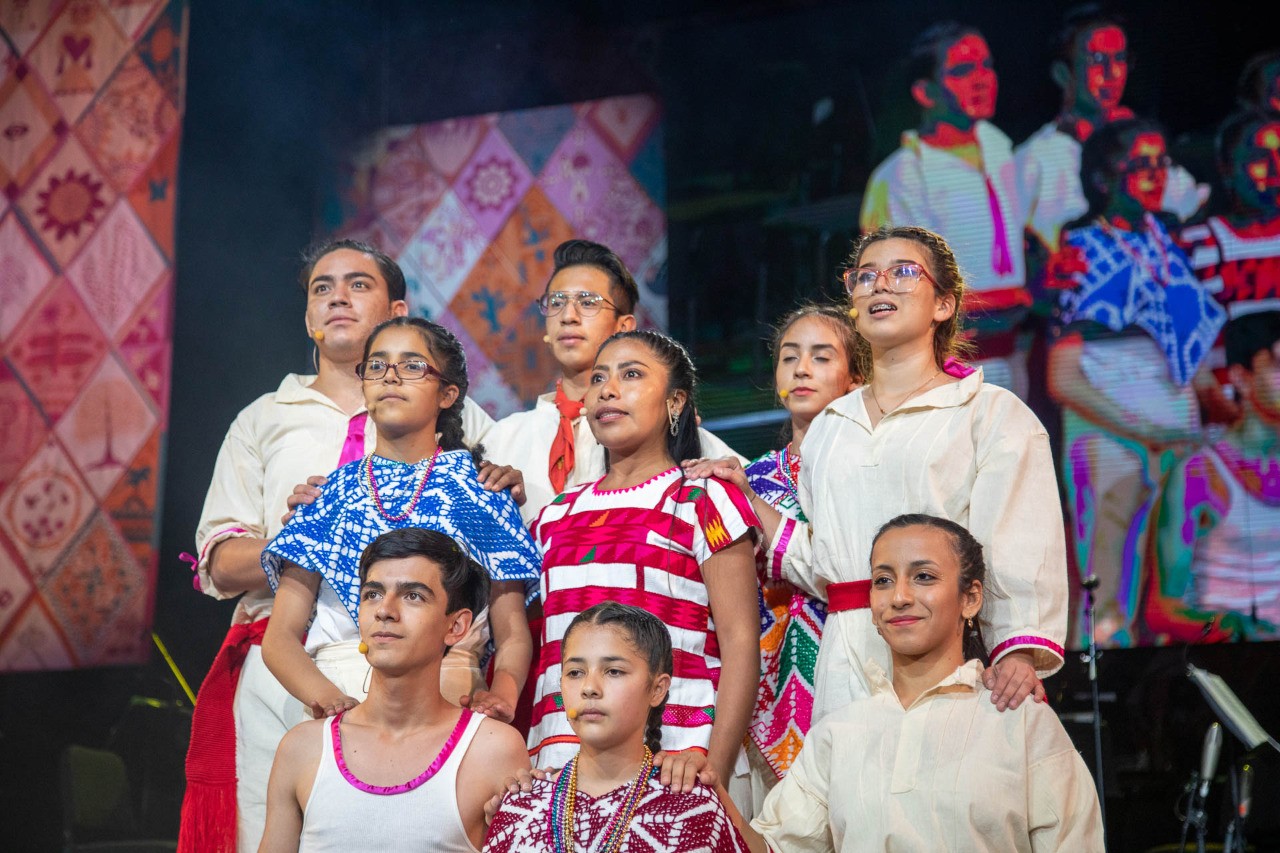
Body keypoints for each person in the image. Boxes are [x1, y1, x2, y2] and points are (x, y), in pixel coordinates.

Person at [182, 240, 493, 852]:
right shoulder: (264, 417)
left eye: (358, 284)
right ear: (307, 318)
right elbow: (218, 562)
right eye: (321, 288)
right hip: (284, 655)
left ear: (398, 309)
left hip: (428, 659)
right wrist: (308, 535)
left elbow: (491, 538)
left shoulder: (460, 416)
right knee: (275, 830)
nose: (337, 298)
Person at [687, 225, 1067, 725]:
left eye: (903, 272)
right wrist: (748, 497)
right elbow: (822, 559)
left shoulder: (989, 413)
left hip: (943, 651)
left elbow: (1018, 544)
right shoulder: (831, 426)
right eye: (865, 276)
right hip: (842, 660)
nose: (880, 284)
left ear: (944, 304)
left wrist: (1015, 650)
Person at [720, 515, 1103, 852]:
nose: (899, 597)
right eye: (883, 580)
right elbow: (773, 847)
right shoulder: (839, 734)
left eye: (923, 577)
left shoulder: (1021, 722)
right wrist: (712, 792)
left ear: (970, 599)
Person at [260, 317, 541, 725]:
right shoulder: (327, 496)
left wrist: (502, 695)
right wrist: (329, 700)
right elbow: (280, 638)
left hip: (453, 699)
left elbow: (512, 630)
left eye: (412, 366)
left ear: (447, 393)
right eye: (376, 365)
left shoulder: (482, 492)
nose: (390, 376)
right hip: (339, 698)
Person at [526, 330, 760, 795]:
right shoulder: (555, 515)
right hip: (560, 761)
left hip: (678, 760)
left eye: (631, 375)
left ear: (676, 401)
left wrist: (713, 765)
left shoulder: (703, 499)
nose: (607, 390)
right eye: (598, 379)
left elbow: (741, 643)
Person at [1047, 119, 1226, 645]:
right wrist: (1142, 430)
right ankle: (1105, 693)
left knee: (1177, 599)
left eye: (1161, 163)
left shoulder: (1166, 240)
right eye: (1139, 164)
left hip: (1175, 435)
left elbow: (1186, 342)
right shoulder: (1080, 247)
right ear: (1104, 177)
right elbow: (1063, 375)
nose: (1155, 174)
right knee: (1106, 606)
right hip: (1111, 438)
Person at [258, 527, 532, 852]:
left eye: (413, 596)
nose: (384, 610)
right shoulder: (303, 748)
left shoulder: (493, 748)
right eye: (372, 594)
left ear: (456, 626)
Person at [480, 238, 742, 525]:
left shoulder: (662, 432)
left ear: (624, 327)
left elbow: (750, 502)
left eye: (587, 302)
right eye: (556, 302)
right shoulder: (503, 437)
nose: (567, 316)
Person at [484, 602, 749, 853]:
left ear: (657, 689)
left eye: (613, 671)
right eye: (575, 672)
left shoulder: (691, 807)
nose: (589, 688)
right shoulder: (522, 805)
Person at [861, 22, 1031, 396]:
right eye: (963, 71)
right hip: (947, 371)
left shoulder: (1002, 151)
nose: (982, 79)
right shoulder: (900, 176)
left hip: (1013, 356)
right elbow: (901, 290)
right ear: (925, 91)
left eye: (986, 66)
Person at [737, 305, 860, 791]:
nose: (802, 369)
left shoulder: (868, 467)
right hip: (762, 688)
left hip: (850, 668)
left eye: (821, 357)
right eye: (789, 357)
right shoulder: (749, 478)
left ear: (855, 380)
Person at [1016, 5, 1207, 255]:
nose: (1112, 72)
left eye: (1120, 58)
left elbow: (1188, 204)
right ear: (1063, 73)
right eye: (1097, 60)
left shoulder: (1144, 147)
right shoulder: (1034, 159)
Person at [1152, 311, 1280, 642]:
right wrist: (1226, 625)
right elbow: (1162, 609)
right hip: (1229, 658)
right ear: (1241, 378)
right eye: (1278, 364)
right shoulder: (1199, 473)